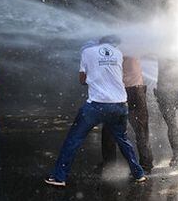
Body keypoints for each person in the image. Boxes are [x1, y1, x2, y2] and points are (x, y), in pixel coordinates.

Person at [45, 35, 146, 187]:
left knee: (74, 139)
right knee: (123, 140)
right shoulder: (117, 53)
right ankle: (139, 174)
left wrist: (93, 77)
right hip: (119, 105)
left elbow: (82, 80)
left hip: (97, 105)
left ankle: (59, 177)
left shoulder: (87, 52)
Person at [101, 56, 154, 173]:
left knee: (136, 128)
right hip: (128, 89)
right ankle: (145, 164)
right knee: (137, 128)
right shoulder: (128, 44)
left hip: (130, 89)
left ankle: (145, 164)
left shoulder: (123, 45)